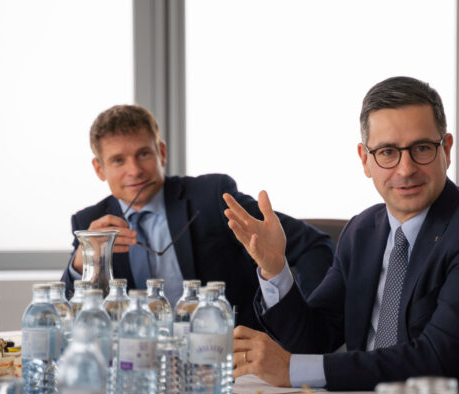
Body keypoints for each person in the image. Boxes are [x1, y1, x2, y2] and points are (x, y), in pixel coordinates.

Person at [226, 77, 459, 394]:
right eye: (387, 152)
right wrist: (275, 269)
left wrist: (291, 369)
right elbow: (314, 340)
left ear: (447, 149)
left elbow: (438, 359)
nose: (405, 169)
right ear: (365, 159)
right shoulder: (362, 231)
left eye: (422, 148)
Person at [61, 104, 334, 329]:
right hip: (138, 363)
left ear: (162, 153)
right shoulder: (90, 223)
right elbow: (64, 313)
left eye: (143, 154)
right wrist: (81, 261)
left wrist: (305, 327)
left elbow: (312, 244)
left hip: (228, 357)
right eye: (118, 160)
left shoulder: (210, 197)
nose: (134, 170)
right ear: (100, 169)